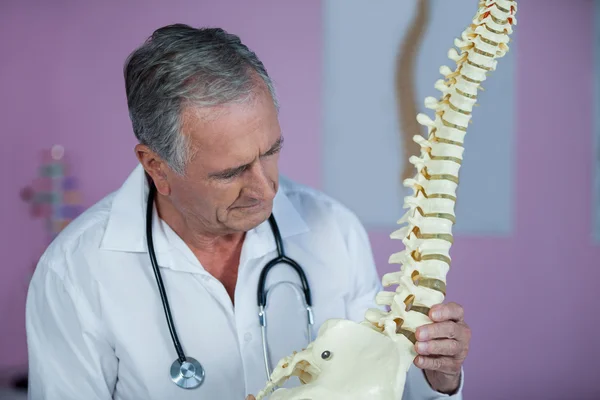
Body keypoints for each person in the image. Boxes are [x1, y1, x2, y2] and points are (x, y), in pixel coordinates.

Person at [25, 24, 471, 400]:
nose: (266, 187)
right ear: (157, 167)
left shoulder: (334, 231)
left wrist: (438, 379)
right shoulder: (75, 274)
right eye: (231, 172)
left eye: (271, 152)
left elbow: (390, 390)